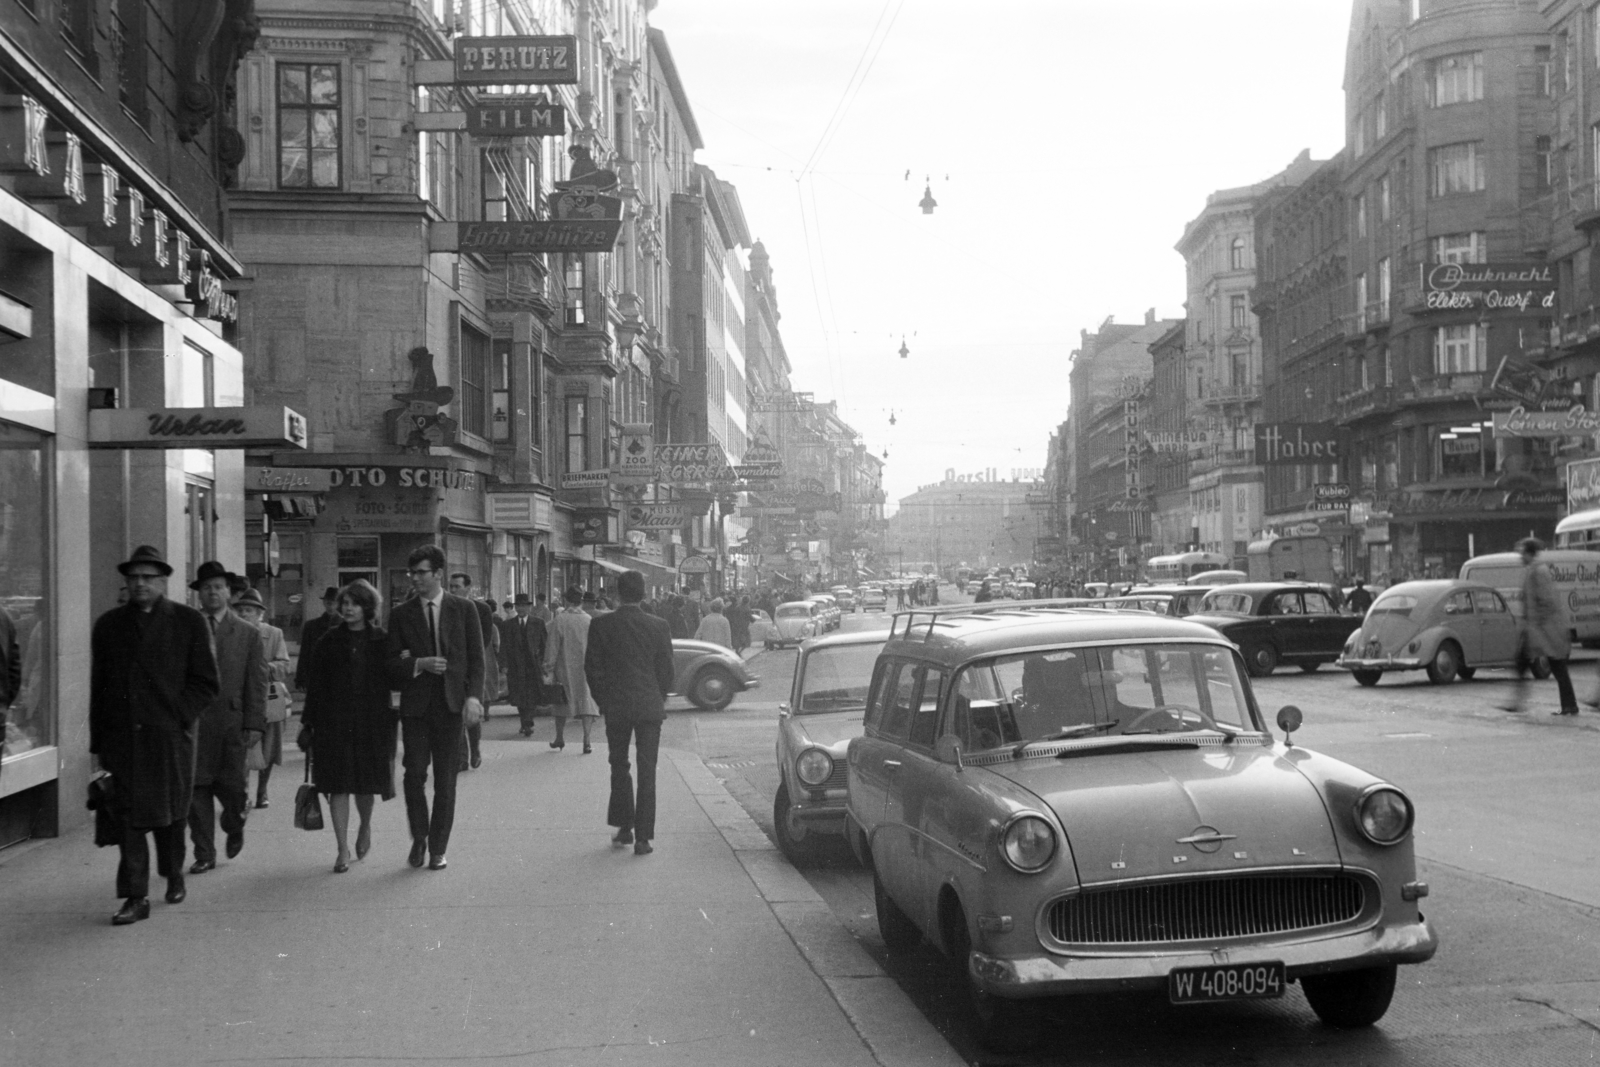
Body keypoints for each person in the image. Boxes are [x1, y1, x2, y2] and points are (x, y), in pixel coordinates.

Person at [90, 545, 219, 925]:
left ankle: (173, 873)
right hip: (123, 741)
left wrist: (178, 717)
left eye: (148, 577)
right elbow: (99, 688)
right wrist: (99, 745)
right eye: (134, 578)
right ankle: (135, 896)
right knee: (128, 818)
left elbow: (206, 683)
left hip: (168, 739)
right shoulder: (109, 626)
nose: (140, 584)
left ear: (163, 581)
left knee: (170, 816)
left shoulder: (187, 622)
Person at [386, 544, 484, 871]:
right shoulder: (401, 614)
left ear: (438, 574)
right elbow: (391, 664)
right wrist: (418, 663)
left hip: (451, 706)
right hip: (415, 708)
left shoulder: (464, 609)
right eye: (411, 573)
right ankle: (419, 837)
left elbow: (476, 660)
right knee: (414, 774)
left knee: (446, 780)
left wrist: (473, 698)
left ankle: (438, 848)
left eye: (420, 572)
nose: (414, 578)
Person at [301, 580, 396, 873]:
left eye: (355, 603)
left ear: (367, 607)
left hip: (371, 722)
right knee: (337, 785)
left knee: (365, 786)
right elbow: (315, 685)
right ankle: (341, 848)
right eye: (345, 603)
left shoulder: (382, 639)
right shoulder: (329, 640)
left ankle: (365, 826)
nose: (348, 608)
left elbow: (392, 680)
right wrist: (308, 723)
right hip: (334, 723)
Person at [585, 569, 674, 856]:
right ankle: (643, 838)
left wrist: (604, 700)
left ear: (616, 594)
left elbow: (592, 669)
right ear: (644, 594)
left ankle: (625, 826)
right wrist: (658, 697)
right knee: (648, 770)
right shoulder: (659, 626)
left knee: (619, 765)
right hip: (649, 705)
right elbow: (666, 670)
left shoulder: (601, 626)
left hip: (617, 706)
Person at [188, 561, 268, 875]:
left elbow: (257, 681)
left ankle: (235, 824)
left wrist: (255, 723)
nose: (213, 593)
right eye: (207, 588)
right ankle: (204, 853)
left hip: (232, 724)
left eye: (218, 587)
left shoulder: (247, 632)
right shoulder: (188, 628)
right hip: (195, 725)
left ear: (228, 592)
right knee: (197, 791)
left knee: (233, 791)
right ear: (199, 593)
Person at [1504, 537, 1579, 716]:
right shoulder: (1534, 570)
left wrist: (1538, 624)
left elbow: (1547, 601)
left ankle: (1569, 706)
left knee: (1556, 666)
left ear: (1529, 553)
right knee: (1524, 663)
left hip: (1545, 631)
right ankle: (1517, 702)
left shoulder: (1539, 571)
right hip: (1537, 630)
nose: (1520, 556)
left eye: (1522, 552)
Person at [234, 588, 291, 810]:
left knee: (268, 747)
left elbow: (285, 665)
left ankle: (262, 790)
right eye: (240, 610)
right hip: (241, 699)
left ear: (260, 614)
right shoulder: (232, 633)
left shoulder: (274, 634)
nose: (244, 614)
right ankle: (244, 792)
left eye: (249, 610)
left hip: (269, 698)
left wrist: (263, 669)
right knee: (243, 746)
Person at [448, 572, 499, 770]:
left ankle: (475, 748)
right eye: (450, 586)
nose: (452, 590)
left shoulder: (481, 609)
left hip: (472, 667)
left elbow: (484, 639)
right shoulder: (446, 608)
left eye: (456, 586)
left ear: (468, 588)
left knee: (471, 713)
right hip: (452, 669)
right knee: (455, 712)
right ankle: (461, 757)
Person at [544, 586, 600, 753]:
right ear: (581, 601)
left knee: (561, 701)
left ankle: (560, 737)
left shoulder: (560, 619)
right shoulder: (589, 619)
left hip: (564, 666)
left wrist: (548, 667)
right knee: (587, 701)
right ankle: (587, 740)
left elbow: (552, 646)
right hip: (585, 668)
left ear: (566, 600)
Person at [504, 593, 548, 737]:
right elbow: (504, 647)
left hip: (532, 665)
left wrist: (543, 661)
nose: (521, 608)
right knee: (518, 694)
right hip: (515, 665)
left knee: (532, 693)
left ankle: (528, 722)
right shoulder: (508, 625)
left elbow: (544, 644)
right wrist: (503, 664)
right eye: (518, 606)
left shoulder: (538, 622)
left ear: (529, 607)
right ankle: (524, 721)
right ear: (515, 607)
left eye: (524, 606)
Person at [294, 587, 341, 693]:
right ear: (324, 603)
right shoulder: (311, 626)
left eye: (335, 603)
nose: (331, 607)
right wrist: (301, 679)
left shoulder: (346, 626)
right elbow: (304, 653)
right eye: (329, 603)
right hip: (317, 679)